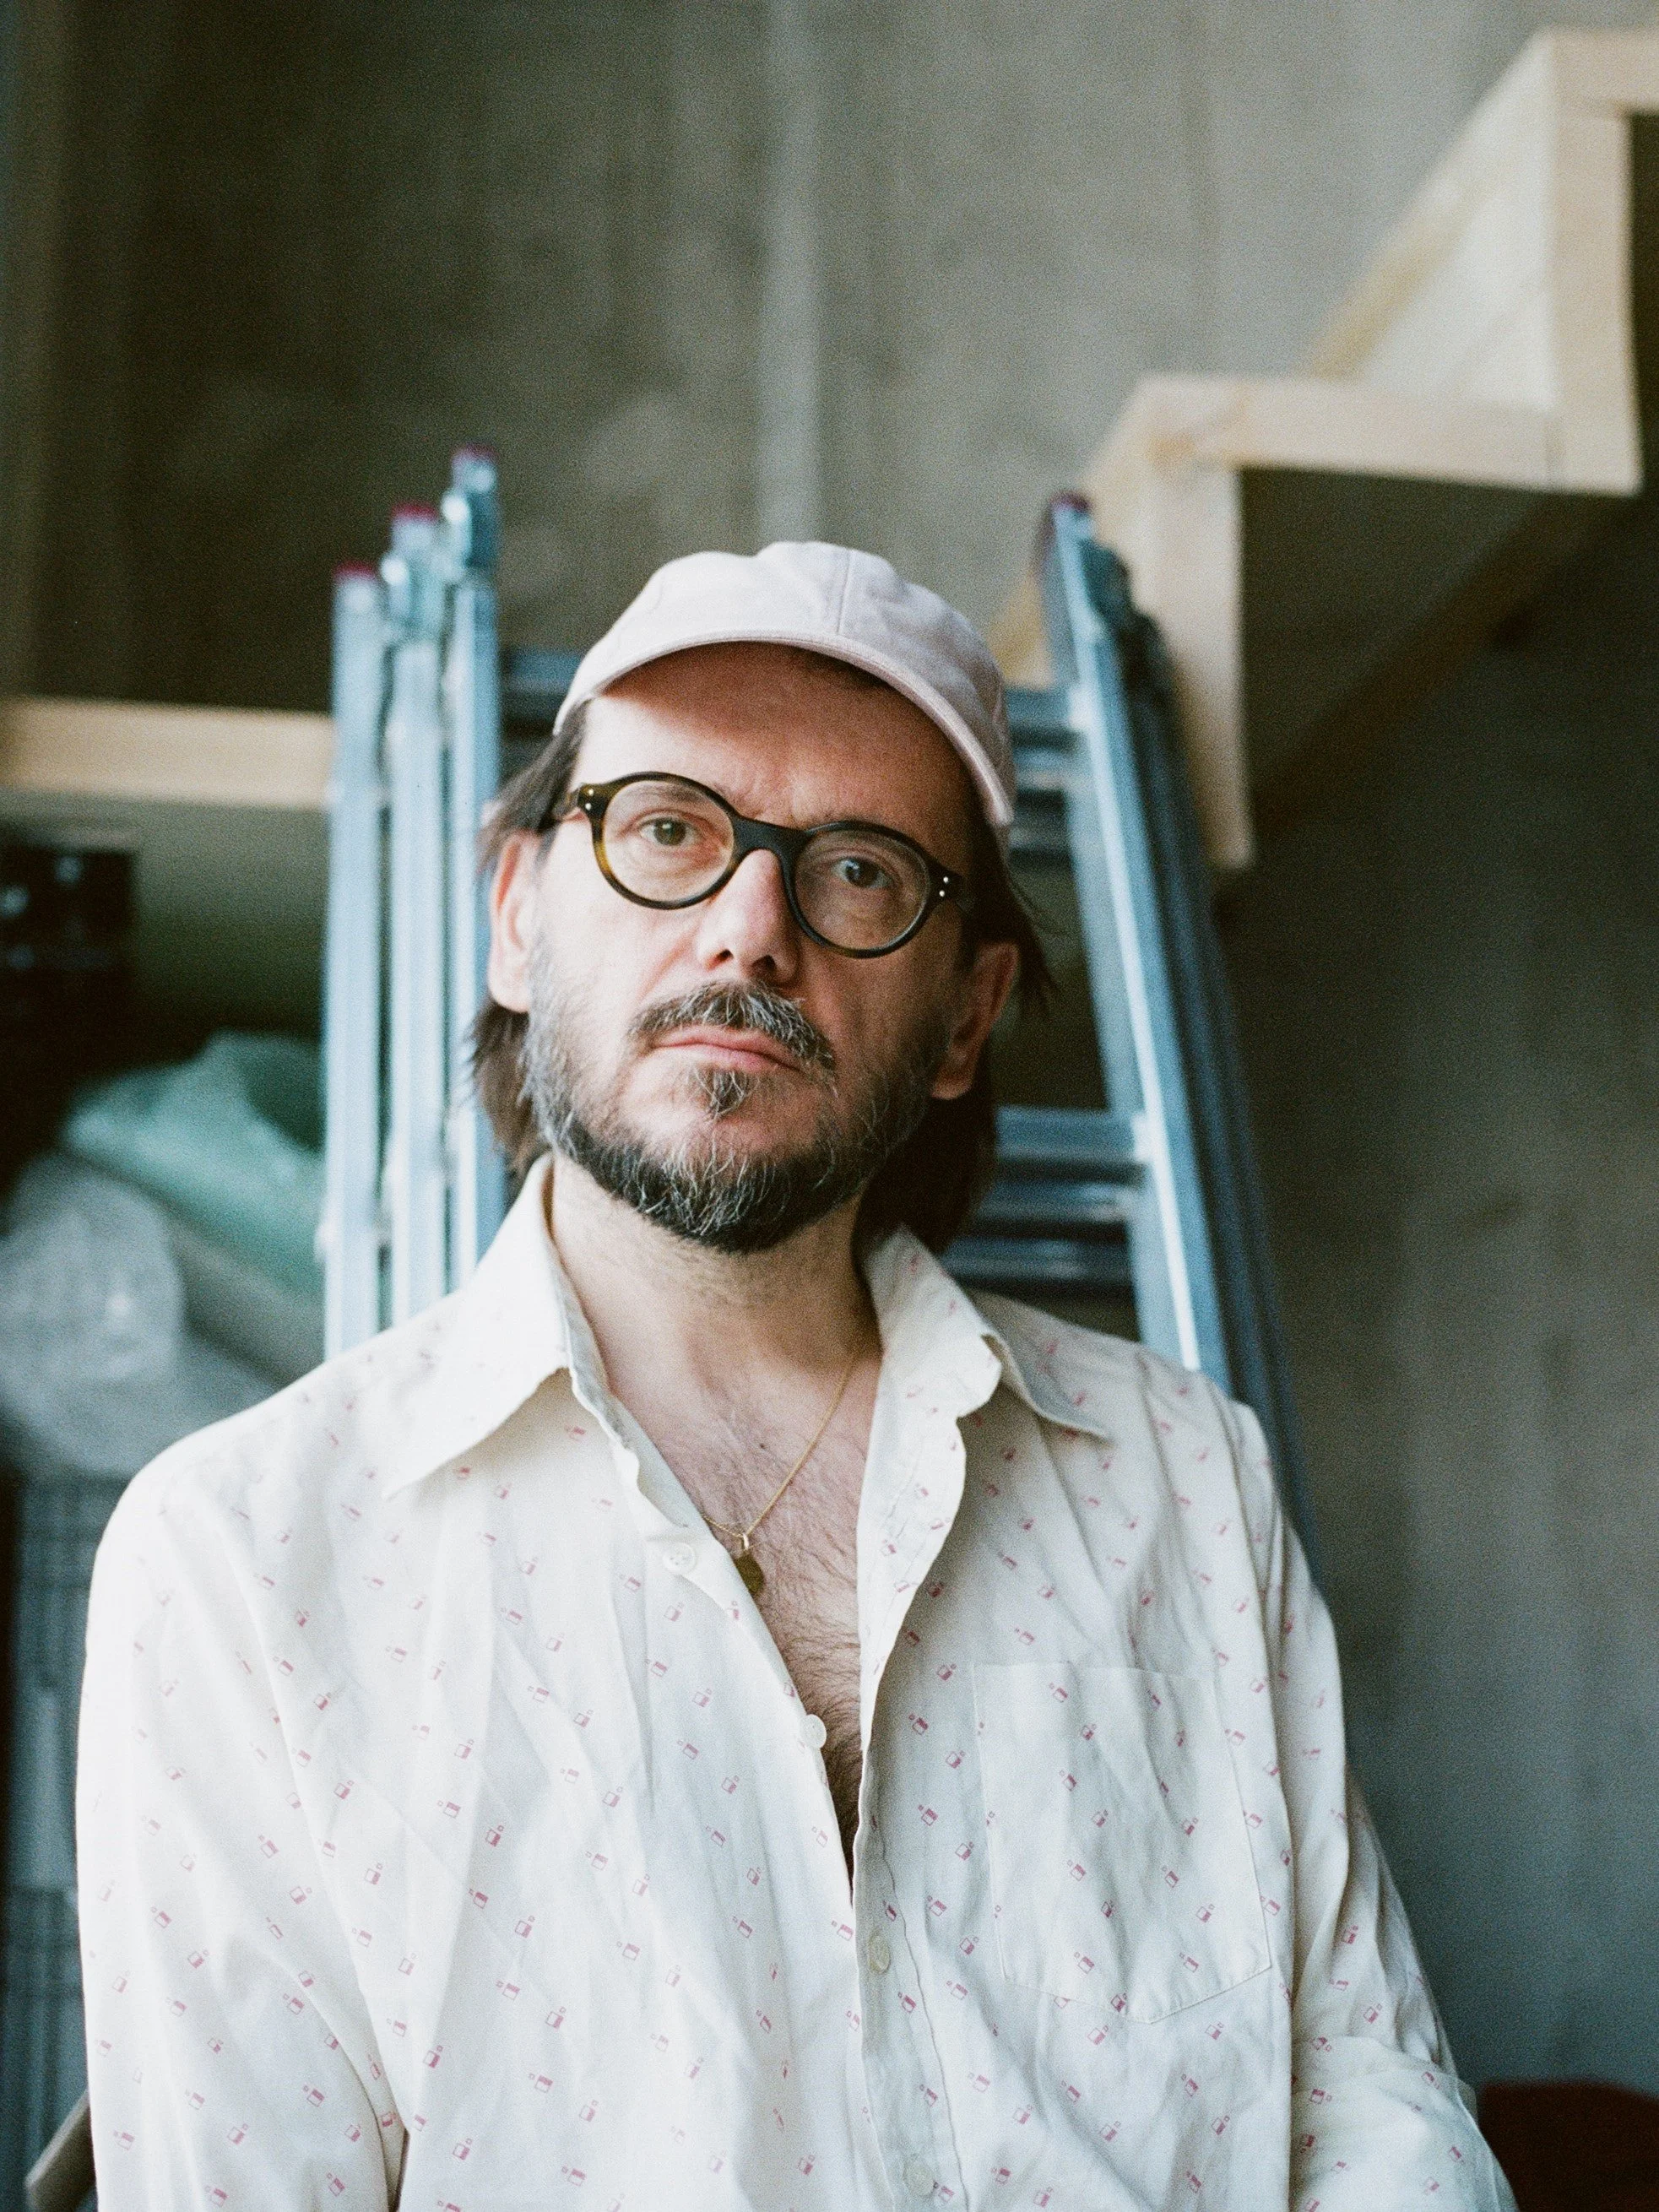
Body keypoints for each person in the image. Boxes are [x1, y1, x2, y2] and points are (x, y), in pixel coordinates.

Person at [77, 542, 1515, 2209]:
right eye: (669, 829)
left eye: (854, 874)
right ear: (521, 917)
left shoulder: (1181, 1478)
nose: (750, 929)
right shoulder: (245, 1562)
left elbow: (1369, 2094)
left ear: (968, 1015)